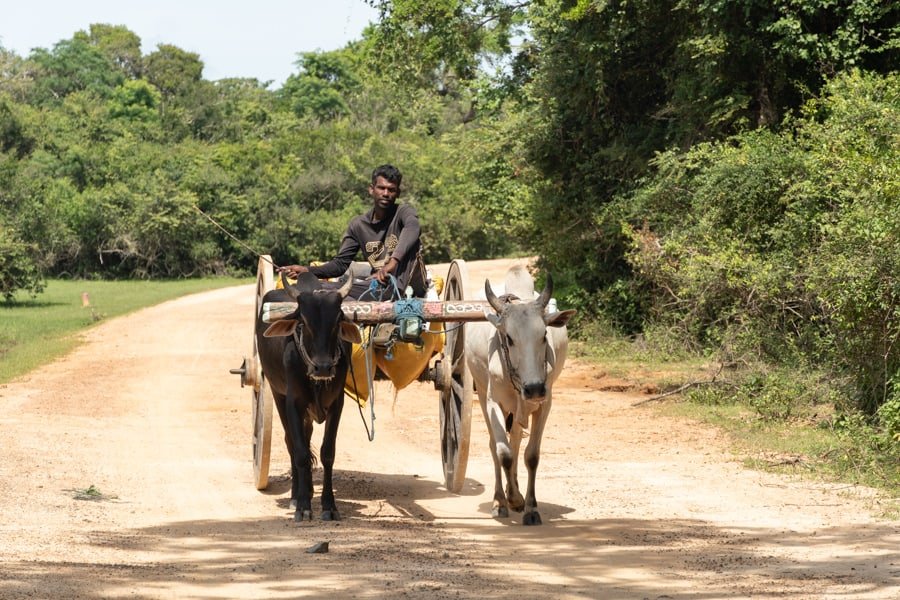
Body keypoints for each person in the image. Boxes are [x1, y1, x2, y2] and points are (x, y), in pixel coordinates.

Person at [278, 164, 427, 300]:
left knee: (326, 291)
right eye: (381, 188)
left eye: (391, 189)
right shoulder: (358, 225)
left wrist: (393, 263)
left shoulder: (403, 212)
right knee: (319, 289)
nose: (386, 193)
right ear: (371, 189)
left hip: (405, 286)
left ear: (398, 193)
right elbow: (340, 265)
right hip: (378, 287)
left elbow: (413, 228)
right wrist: (306, 270)